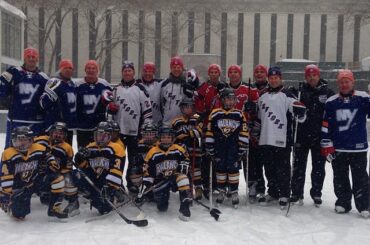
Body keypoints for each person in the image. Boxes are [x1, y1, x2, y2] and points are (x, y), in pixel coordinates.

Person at [321, 69, 370, 218]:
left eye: (347, 81)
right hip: (339, 147)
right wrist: (327, 145)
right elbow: (325, 124)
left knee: (360, 177)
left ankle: (364, 205)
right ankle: (343, 202)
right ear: (338, 83)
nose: (344, 84)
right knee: (340, 177)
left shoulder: (363, 98)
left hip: (358, 147)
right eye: (341, 82)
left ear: (352, 82)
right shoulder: (331, 102)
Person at [256, 67, 306, 209]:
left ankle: (284, 193)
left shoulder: (288, 95)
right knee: (269, 168)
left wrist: (300, 112)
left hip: (282, 139)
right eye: (271, 78)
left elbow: (300, 114)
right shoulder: (262, 97)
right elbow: (259, 118)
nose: (273, 80)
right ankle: (273, 192)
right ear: (268, 79)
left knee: (282, 169)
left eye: (276, 78)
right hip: (265, 139)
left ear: (280, 78)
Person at [290, 64, 335, 206]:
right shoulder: (299, 90)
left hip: (319, 135)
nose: (311, 77)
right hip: (302, 135)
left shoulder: (327, 92)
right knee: (298, 166)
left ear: (318, 76)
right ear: (305, 77)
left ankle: (316, 192)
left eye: (314, 75)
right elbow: (288, 99)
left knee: (318, 166)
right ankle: (297, 193)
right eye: (309, 75)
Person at [0, 126, 67, 220]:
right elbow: (6, 177)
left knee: (58, 179)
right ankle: (14, 206)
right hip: (19, 188)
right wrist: (6, 195)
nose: (22, 143)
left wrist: (51, 161)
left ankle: (54, 208)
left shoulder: (38, 148)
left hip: (34, 181)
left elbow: (47, 154)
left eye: (25, 140)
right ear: (13, 140)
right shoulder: (8, 154)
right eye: (19, 140)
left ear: (31, 140)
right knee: (19, 215)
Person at [108, 61, 152, 193]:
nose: (127, 73)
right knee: (118, 160)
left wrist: (145, 128)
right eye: (125, 71)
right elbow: (109, 110)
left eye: (130, 71)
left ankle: (132, 183)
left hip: (135, 132)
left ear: (133, 73)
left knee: (135, 161)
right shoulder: (115, 89)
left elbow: (148, 110)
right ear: (122, 73)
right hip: (118, 132)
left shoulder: (140, 89)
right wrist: (110, 109)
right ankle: (117, 183)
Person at [205, 88, 249, 208]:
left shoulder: (239, 114)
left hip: (233, 146)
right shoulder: (215, 113)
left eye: (233, 99)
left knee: (233, 168)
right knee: (220, 168)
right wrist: (209, 145)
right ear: (222, 100)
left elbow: (244, 131)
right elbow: (210, 131)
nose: (231, 102)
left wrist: (243, 146)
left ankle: (234, 191)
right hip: (219, 146)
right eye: (228, 99)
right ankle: (221, 190)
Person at [139, 126, 192, 221]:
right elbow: (147, 171)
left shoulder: (179, 150)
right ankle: (158, 197)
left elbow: (186, 160)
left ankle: (185, 206)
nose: (166, 139)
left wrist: (183, 166)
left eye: (168, 137)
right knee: (162, 208)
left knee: (183, 178)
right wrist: (146, 184)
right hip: (160, 181)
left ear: (172, 138)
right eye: (163, 137)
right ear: (159, 138)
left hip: (174, 178)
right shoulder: (152, 152)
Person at [0, 47, 49, 148]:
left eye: (33, 57)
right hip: (16, 119)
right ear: (24, 58)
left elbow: (48, 99)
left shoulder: (43, 77)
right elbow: (2, 88)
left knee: (36, 151)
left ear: (37, 59)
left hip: (36, 122)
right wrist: (5, 100)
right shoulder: (13, 72)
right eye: (29, 56)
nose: (31, 59)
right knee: (11, 150)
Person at [74, 121, 126, 214]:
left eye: (104, 136)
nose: (101, 139)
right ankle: (76, 200)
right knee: (74, 175)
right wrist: (79, 157)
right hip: (94, 178)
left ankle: (115, 195)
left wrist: (110, 186)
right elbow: (83, 166)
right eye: (99, 135)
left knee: (103, 208)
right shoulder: (90, 146)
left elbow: (118, 170)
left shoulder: (117, 148)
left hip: (108, 181)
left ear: (110, 136)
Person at [34, 122, 79, 217]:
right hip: (40, 173)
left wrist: (58, 172)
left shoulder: (67, 148)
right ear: (51, 132)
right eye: (56, 132)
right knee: (44, 199)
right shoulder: (40, 140)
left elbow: (68, 169)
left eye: (61, 133)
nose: (58, 135)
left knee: (67, 178)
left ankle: (73, 201)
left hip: (56, 174)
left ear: (65, 135)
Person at [172, 97, 203, 200]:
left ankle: (198, 187)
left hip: (194, 148)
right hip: (181, 150)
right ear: (182, 108)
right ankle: (186, 189)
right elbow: (173, 135)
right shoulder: (176, 121)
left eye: (190, 107)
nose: (188, 109)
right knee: (184, 168)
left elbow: (199, 132)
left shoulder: (197, 118)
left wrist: (186, 133)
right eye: (186, 107)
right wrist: (179, 135)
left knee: (196, 169)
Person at [39, 59, 77, 144]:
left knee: (66, 152)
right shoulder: (54, 81)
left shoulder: (72, 84)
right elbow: (43, 103)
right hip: (55, 127)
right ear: (60, 69)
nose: (68, 70)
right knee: (53, 152)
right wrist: (50, 95)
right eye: (65, 68)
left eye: (70, 68)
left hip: (67, 127)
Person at [76, 60, 112, 148]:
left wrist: (109, 105)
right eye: (88, 68)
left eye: (93, 68)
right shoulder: (77, 85)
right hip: (82, 127)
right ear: (85, 70)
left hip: (100, 127)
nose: (91, 70)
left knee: (99, 153)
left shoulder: (104, 85)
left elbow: (112, 102)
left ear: (97, 70)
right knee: (83, 154)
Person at [246, 64, 269, 203]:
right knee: (252, 161)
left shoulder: (270, 88)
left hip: (267, 128)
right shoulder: (251, 88)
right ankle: (254, 185)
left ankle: (266, 187)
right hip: (252, 128)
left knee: (265, 160)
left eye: (262, 72)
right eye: (257, 72)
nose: (259, 74)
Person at [160, 56, 198, 125]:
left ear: (182, 68)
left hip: (183, 122)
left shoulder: (188, 83)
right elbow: (160, 103)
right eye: (174, 67)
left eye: (178, 67)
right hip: (167, 123)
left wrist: (191, 92)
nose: (176, 69)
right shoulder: (164, 84)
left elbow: (195, 100)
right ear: (171, 69)